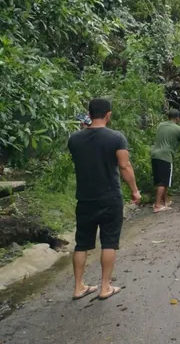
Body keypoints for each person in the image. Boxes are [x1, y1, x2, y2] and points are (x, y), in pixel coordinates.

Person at [67, 98, 140, 301]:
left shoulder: (74, 139)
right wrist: (135, 190)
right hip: (109, 197)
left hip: (84, 198)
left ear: (89, 115)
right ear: (108, 114)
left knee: (81, 243)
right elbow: (125, 167)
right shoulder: (116, 138)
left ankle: (78, 287)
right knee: (109, 241)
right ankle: (105, 287)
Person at [150, 109, 180, 213]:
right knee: (163, 181)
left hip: (155, 154)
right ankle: (157, 205)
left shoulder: (161, 125)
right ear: (177, 118)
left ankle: (165, 201)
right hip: (165, 156)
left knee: (162, 180)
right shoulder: (179, 129)